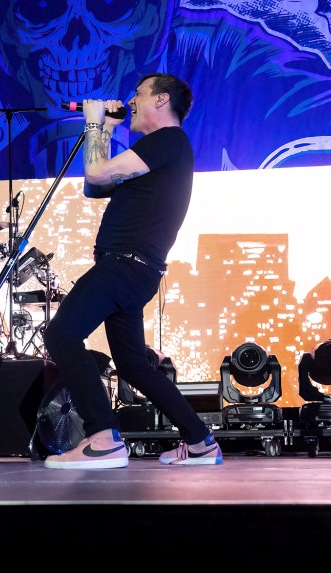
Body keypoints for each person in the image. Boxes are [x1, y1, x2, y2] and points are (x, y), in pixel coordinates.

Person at [42, 73, 221, 469]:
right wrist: (104, 128)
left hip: (125, 264)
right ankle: (201, 442)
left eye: (139, 93)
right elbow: (97, 186)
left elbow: (95, 174)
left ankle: (103, 438)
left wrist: (93, 123)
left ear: (161, 100)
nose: (131, 100)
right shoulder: (160, 149)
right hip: (134, 269)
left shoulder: (168, 140)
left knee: (60, 333)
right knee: (134, 366)